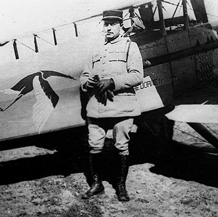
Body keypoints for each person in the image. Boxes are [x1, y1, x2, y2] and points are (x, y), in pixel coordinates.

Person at [80, 9, 144, 202]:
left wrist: (112, 82)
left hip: (122, 105)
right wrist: (87, 83)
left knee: (121, 146)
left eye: (112, 24)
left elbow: (137, 76)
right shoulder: (96, 50)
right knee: (94, 145)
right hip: (97, 107)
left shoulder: (130, 47)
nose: (108, 28)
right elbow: (84, 76)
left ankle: (121, 186)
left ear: (120, 25)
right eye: (105, 24)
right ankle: (97, 184)